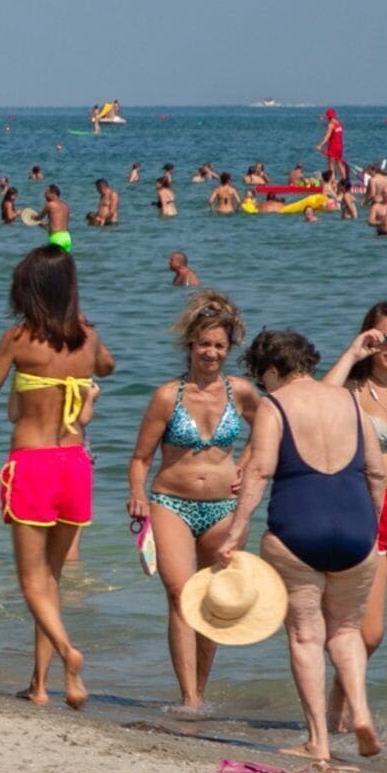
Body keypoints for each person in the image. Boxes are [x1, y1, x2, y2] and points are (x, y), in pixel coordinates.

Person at [215, 327, 384, 773]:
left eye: (263, 376)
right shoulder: (350, 400)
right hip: (357, 530)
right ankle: (362, 714)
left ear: (272, 370)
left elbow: (260, 471)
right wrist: (374, 527)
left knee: (307, 636)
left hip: (297, 531)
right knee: (346, 630)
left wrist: (235, 532)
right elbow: (374, 471)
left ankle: (321, 748)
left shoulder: (274, 405)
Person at [0, 244, 114, 710]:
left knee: (31, 581)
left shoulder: (18, 339)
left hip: (33, 465)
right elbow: (107, 367)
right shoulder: (86, 339)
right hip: (75, 466)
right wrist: (86, 331)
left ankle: (69, 655)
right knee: (51, 579)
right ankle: (42, 685)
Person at [129, 291, 249, 716]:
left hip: (223, 510)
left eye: (219, 345)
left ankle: (200, 686)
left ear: (229, 349)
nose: (211, 353)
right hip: (171, 503)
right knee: (181, 594)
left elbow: (274, 427)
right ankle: (189, 698)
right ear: (190, 346)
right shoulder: (167, 396)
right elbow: (141, 457)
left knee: (214, 600)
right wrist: (137, 494)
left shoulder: (241, 392)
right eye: (204, 344)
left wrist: (248, 465)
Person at [330, 302, 387, 726]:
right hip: (367, 510)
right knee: (367, 633)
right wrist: (352, 353)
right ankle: (337, 716)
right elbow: (318, 400)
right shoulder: (352, 392)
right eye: (383, 338)